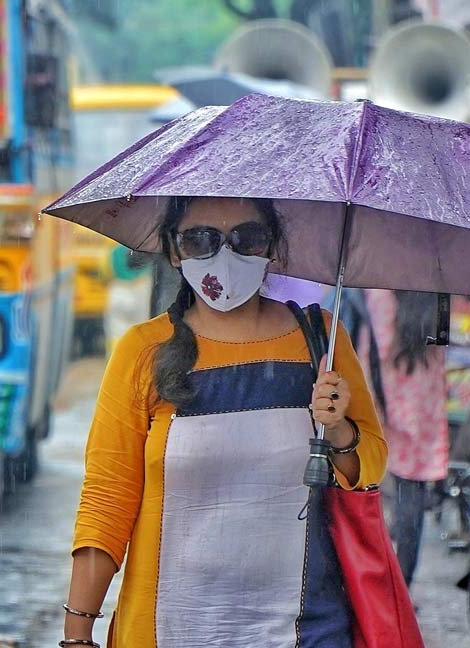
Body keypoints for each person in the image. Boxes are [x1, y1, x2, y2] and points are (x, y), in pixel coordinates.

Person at [62, 196, 387, 648]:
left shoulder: (322, 342)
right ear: (174, 252)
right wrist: (78, 631)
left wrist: (338, 430)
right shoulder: (143, 352)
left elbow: (368, 468)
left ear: (271, 246)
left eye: (247, 238)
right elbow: (107, 499)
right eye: (200, 240)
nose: (225, 255)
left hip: (307, 628)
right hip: (165, 631)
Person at [362, 289, 448, 587]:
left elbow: (380, 347)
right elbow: (441, 344)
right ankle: (403, 583)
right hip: (424, 401)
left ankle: (378, 581)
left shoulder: (381, 291)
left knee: (375, 488)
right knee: (412, 494)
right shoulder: (439, 290)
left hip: (389, 397)